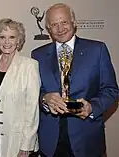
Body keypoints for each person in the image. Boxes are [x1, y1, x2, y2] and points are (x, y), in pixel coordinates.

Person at [31, 3, 119, 157]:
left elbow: (110, 90)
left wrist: (92, 107)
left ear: (74, 22)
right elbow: (33, 92)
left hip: (87, 138)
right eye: (54, 24)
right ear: (48, 29)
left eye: (64, 22)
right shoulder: (37, 55)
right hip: (50, 141)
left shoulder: (97, 50)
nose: (60, 28)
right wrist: (44, 98)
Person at [0, 18, 40, 157]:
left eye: (12, 37)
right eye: (2, 37)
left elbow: (32, 109)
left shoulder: (29, 66)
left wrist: (26, 145)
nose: (7, 42)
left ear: (18, 40)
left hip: (16, 141)